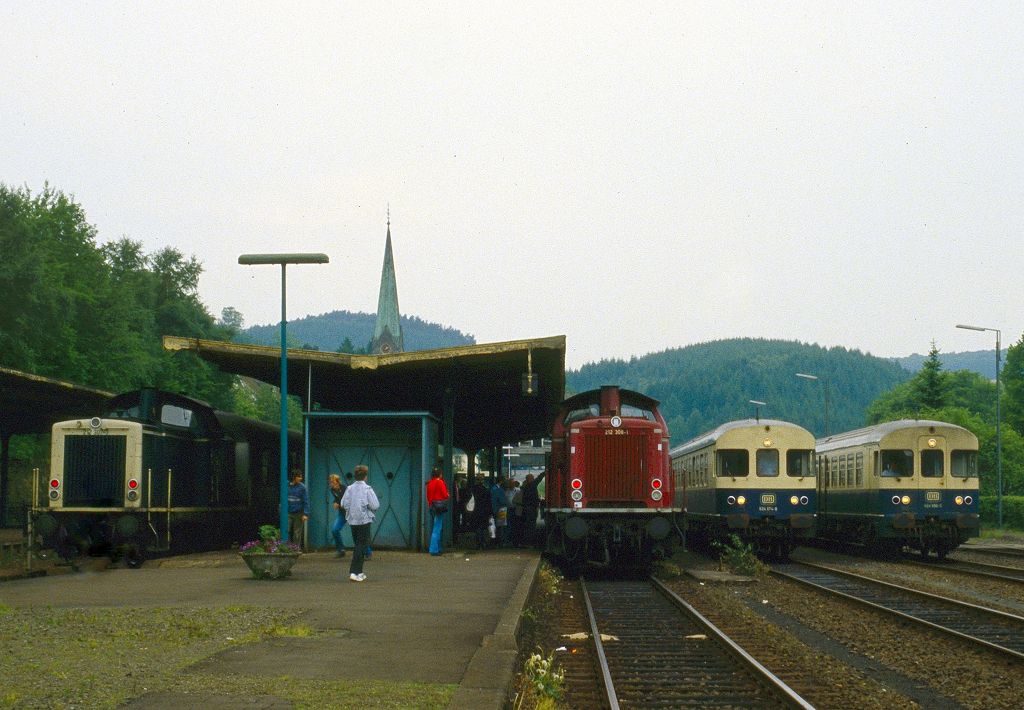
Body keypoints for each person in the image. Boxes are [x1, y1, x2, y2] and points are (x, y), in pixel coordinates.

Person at [340, 464, 379, 582]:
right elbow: (375, 505)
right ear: (365, 476)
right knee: (361, 546)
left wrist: (351, 509)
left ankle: (360, 572)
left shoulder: (349, 488)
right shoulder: (368, 489)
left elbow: (343, 504)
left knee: (358, 544)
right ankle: (354, 571)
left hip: (352, 520)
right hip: (364, 520)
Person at [425, 466, 450, 556]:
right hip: (439, 507)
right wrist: (448, 494)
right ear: (440, 474)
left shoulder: (430, 483)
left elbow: (428, 496)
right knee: (437, 528)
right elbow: (445, 494)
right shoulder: (440, 482)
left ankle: (437, 548)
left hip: (432, 506)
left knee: (435, 527)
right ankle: (434, 549)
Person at [520, 470, 546, 546]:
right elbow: (538, 479)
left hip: (527, 508)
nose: (533, 479)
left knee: (528, 525)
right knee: (531, 525)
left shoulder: (526, 487)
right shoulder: (531, 485)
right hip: (531, 508)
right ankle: (530, 542)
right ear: (530, 479)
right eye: (532, 478)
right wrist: (545, 472)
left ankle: (526, 542)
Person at [287, 469, 309, 549]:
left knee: (297, 532)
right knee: (286, 530)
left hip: (298, 512)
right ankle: (287, 548)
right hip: (288, 512)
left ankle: (295, 548)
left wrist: (305, 514)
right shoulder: (286, 485)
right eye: (299, 477)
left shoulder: (302, 487)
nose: (301, 479)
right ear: (294, 477)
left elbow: (306, 501)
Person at [469, 474, 491, 549]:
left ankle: (479, 543)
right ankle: (482, 542)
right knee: (482, 527)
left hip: (475, 510)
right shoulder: (486, 489)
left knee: (477, 527)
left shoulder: (473, 489)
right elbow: (488, 502)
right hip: (483, 511)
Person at [328, 473, 347, 557]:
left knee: (358, 532)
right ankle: (341, 550)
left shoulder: (345, 489)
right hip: (342, 513)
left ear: (338, 482)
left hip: (351, 513)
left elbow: (346, 501)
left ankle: (367, 552)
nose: (332, 484)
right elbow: (337, 498)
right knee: (335, 530)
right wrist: (335, 502)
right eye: (330, 482)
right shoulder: (332, 490)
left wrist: (338, 503)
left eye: (333, 482)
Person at [491, 478, 510, 548]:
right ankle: (500, 542)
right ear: (502, 482)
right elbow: (503, 501)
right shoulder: (499, 490)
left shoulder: (493, 489)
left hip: (495, 509)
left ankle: (496, 542)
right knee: (501, 527)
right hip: (501, 510)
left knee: (496, 527)